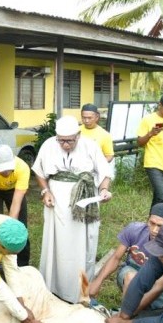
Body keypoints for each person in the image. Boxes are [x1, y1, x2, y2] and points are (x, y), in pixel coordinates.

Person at [32, 115, 112, 303]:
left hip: (84, 197)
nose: (65, 145)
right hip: (57, 198)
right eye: (62, 140)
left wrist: (104, 190)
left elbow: (104, 173)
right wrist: (45, 191)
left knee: (83, 243)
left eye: (69, 140)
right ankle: (53, 288)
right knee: (57, 242)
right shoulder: (49, 145)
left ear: (78, 135)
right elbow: (39, 171)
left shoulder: (90, 145)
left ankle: (81, 289)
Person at [88, 203, 163, 310]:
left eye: (160, 226)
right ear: (147, 220)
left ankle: (132, 312)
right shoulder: (134, 230)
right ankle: (125, 312)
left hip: (160, 289)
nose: (154, 230)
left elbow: (160, 285)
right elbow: (116, 257)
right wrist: (97, 282)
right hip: (131, 274)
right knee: (131, 278)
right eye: (152, 223)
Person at [0, 144, 31, 266]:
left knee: (20, 226)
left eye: (9, 168)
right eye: (2, 169)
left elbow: (16, 202)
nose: (6, 172)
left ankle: (22, 263)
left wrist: (11, 228)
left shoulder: (22, 167)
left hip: (14, 190)